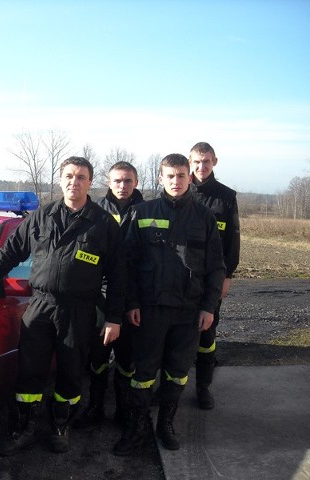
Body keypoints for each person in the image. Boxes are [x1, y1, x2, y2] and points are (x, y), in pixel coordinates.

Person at [0, 156, 126, 455]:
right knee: (29, 370)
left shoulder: (104, 223)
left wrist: (114, 317)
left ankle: (60, 425)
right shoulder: (42, 216)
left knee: (70, 372)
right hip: (41, 306)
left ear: (90, 183)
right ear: (60, 179)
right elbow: (12, 249)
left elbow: (119, 276)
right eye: (69, 175)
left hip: (78, 310)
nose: (74, 181)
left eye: (81, 176)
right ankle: (22, 427)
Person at [113, 154, 225, 455]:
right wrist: (132, 302)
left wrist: (208, 307)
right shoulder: (142, 212)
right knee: (144, 373)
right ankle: (136, 430)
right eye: (170, 176)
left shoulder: (204, 217)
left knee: (177, 372)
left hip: (189, 312)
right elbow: (128, 263)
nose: (176, 181)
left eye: (181, 175)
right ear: (160, 178)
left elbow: (216, 267)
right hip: (150, 310)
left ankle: (166, 424)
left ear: (189, 177)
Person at [73, 161, 144, 428]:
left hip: (134, 298)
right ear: (108, 183)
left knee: (128, 358)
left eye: (128, 181)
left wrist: (135, 300)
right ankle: (95, 406)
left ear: (136, 182)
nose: (122, 186)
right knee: (98, 355)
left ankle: (124, 409)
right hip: (101, 295)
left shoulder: (145, 212)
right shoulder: (95, 211)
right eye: (117, 181)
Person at [189, 142, 241, 410]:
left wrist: (227, 275)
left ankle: (203, 387)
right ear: (190, 162)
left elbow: (233, 240)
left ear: (215, 162)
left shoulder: (226, 197)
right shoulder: (181, 191)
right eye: (197, 161)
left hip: (211, 277)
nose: (201, 167)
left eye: (206, 161)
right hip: (182, 278)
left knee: (207, 334)